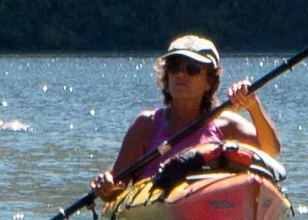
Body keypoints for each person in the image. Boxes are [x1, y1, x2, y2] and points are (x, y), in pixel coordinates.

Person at [90, 34, 281, 203]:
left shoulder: (227, 125)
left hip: (212, 205)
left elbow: (271, 149)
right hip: (156, 208)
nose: (181, 74)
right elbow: (117, 185)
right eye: (174, 67)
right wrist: (106, 185)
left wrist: (253, 106)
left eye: (192, 69)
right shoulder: (146, 124)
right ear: (166, 76)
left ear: (209, 82)